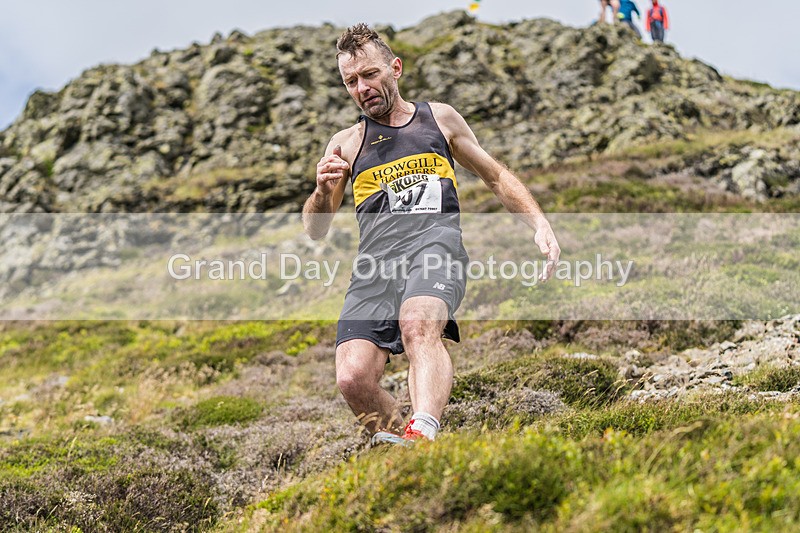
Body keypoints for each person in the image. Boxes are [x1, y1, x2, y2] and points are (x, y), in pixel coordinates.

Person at [302, 23, 560, 446]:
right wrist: (321, 190)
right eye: (351, 81)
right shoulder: (345, 144)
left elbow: (495, 176)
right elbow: (315, 230)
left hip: (434, 248)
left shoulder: (438, 119)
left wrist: (539, 223)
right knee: (352, 379)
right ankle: (405, 447)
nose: (362, 87)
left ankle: (423, 431)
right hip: (375, 267)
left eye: (370, 74)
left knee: (418, 323)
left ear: (395, 68)